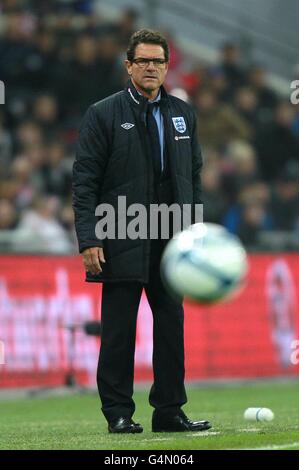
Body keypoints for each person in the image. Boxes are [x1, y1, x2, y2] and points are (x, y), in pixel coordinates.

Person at [72, 29, 211, 434]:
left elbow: (194, 176)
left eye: (159, 61)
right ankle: (118, 412)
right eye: (143, 61)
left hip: (172, 238)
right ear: (129, 65)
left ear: (168, 66)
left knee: (171, 328)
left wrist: (195, 231)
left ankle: (169, 410)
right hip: (121, 233)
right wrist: (90, 238)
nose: (151, 67)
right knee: (119, 332)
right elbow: (85, 181)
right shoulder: (103, 113)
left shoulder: (184, 114)